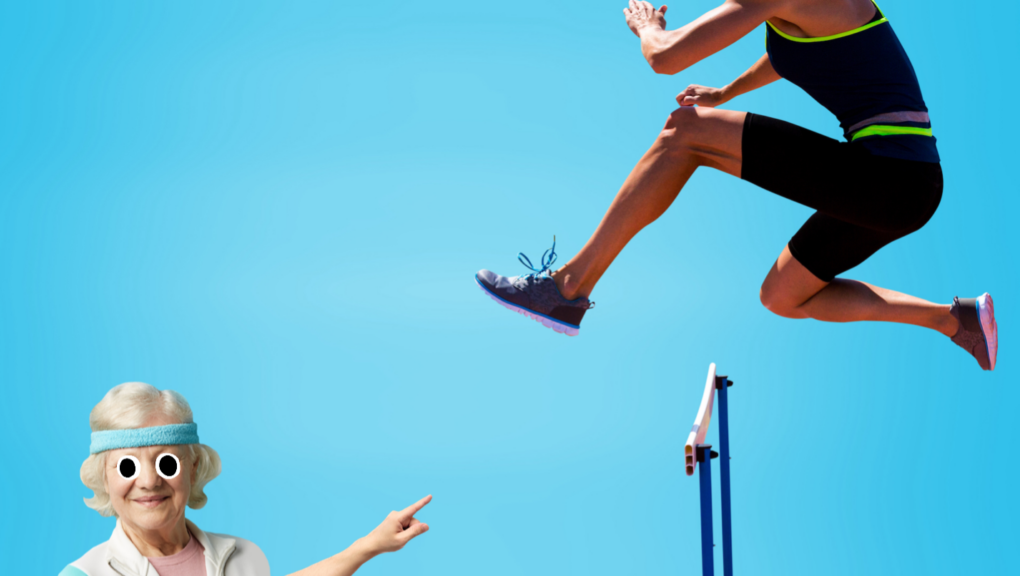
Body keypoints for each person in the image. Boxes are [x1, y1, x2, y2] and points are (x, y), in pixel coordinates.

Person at [475, 0, 997, 370]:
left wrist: (646, 26)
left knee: (685, 132)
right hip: (901, 188)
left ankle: (568, 288)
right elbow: (791, 51)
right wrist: (727, 90)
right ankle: (957, 321)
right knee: (783, 295)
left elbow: (665, 57)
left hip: (889, 177)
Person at [62, 382, 431, 576]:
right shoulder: (86, 575)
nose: (148, 482)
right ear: (103, 478)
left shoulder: (244, 558)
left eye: (166, 464)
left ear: (193, 468)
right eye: (127, 467)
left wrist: (369, 545)